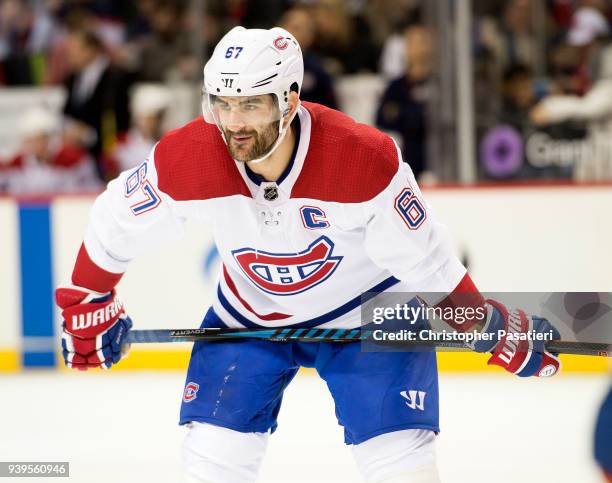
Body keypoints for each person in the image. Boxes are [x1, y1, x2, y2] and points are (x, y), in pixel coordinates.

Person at [55, 26, 561, 483]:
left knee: (401, 466)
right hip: (249, 313)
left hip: (371, 314)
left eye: (251, 105)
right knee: (212, 461)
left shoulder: (360, 159)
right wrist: (87, 299)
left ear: (289, 99)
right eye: (223, 104)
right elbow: (116, 219)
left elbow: (428, 262)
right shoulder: (189, 157)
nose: (234, 124)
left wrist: (486, 323)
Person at [0, 106, 100, 194]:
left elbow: (93, 188)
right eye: (29, 140)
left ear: (48, 139)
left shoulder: (75, 160)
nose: (32, 145)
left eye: (37, 139)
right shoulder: (16, 163)